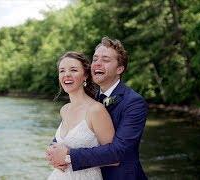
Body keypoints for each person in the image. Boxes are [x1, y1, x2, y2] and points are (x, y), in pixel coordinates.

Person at [47, 37, 148, 180]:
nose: (97, 64)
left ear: (120, 69)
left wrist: (68, 156)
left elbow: (118, 151)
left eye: (105, 60)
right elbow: (66, 136)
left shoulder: (133, 103)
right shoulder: (87, 98)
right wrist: (53, 151)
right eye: (95, 59)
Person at [47, 51, 116, 180]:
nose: (66, 74)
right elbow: (61, 143)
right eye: (62, 71)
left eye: (73, 70)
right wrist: (52, 153)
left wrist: (67, 156)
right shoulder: (64, 109)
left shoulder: (96, 110)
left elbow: (113, 157)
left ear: (85, 75)